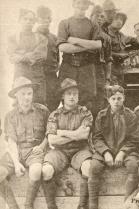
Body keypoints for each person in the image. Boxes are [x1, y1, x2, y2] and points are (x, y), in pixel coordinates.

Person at [41, 78, 93, 209]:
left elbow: (84, 135)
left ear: (78, 96)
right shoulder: (55, 115)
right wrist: (75, 134)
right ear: (62, 96)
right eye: (69, 93)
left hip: (80, 150)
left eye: (75, 93)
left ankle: (82, 206)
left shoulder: (85, 112)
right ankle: (51, 206)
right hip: (59, 152)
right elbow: (52, 140)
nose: (72, 97)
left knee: (88, 168)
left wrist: (60, 132)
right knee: (46, 171)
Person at [89, 85, 139, 209]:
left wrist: (122, 152)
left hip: (127, 150)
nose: (116, 102)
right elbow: (97, 137)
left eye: (119, 98)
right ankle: (93, 205)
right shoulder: (101, 115)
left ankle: (127, 203)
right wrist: (106, 152)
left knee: (133, 166)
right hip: (105, 150)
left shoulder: (131, 116)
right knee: (94, 167)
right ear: (108, 100)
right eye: (113, 99)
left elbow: (135, 139)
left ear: (124, 98)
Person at [2, 77, 49, 209]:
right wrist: (16, 163)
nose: (27, 97)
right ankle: (13, 206)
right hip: (16, 151)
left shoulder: (43, 111)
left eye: (29, 93)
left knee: (36, 171)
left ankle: (28, 205)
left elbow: (49, 133)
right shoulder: (10, 116)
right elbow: (11, 142)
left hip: (35, 151)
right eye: (23, 94)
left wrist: (42, 146)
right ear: (16, 95)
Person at [57, 0, 102, 112]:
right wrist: (88, 45)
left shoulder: (93, 24)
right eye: (79, 2)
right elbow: (62, 47)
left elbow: (98, 45)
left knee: (88, 99)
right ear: (73, 4)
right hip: (69, 66)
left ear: (88, 6)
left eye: (85, 3)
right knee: (67, 96)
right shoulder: (65, 23)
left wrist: (74, 40)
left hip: (87, 68)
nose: (82, 6)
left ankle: (86, 127)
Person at [7, 9, 48, 105]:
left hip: (37, 77)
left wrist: (21, 56)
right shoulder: (12, 38)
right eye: (25, 19)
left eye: (31, 20)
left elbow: (41, 55)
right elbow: (12, 56)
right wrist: (29, 55)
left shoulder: (41, 38)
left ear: (34, 22)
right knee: (19, 105)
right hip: (20, 75)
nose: (28, 22)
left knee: (39, 104)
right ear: (19, 20)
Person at [36, 6, 60, 111]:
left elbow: (57, 59)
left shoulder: (54, 38)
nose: (45, 21)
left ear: (50, 20)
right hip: (37, 76)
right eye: (42, 18)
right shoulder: (33, 36)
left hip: (51, 77)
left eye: (47, 18)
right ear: (37, 20)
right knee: (38, 104)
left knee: (53, 103)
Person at [90, 4, 112, 116]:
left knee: (100, 99)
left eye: (102, 17)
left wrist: (108, 78)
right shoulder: (85, 34)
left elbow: (108, 60)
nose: (99, 19)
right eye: (97, 15)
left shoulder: (106, 38)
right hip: (86, 69)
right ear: (91, 16)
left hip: (100, 71)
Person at [109, 12, 139, 85]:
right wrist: (119, 55)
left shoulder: (121, 35)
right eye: (116, 19)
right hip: (109, 67)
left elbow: (133, 40)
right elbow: (102, 51)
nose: (119, 21)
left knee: (120, 90)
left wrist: (132, 50)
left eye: (121, 20)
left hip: (119, 67)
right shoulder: (105, 34)